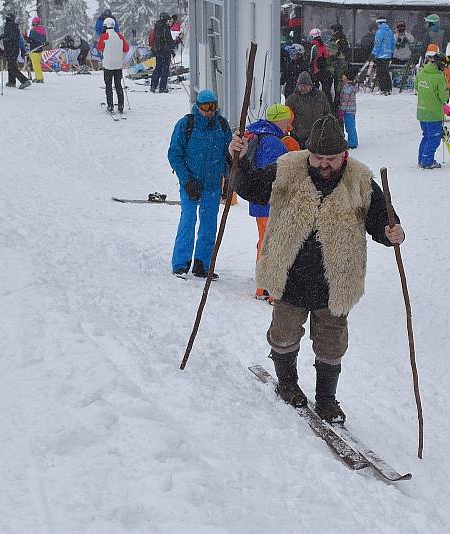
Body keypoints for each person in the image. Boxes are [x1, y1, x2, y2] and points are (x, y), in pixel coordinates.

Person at [228, 115, 405, 423]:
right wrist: (239, 161)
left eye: (331, 159)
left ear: (345, 154)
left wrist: (392, 233)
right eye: (318, 157)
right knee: (283, 336)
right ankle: (288, 384)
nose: (323, 164)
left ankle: (326, 399)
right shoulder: (288, 168)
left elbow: (381, 219)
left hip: (335, 278)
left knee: (331, 344)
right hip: (290, 273)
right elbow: (252, 189)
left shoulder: (360, 180)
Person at [167, 89, 233, 278]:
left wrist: (228, 180)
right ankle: (181, 262)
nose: (210, 111)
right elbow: (174, 154)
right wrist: (187, 181)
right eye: (206, 106)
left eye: (213, 106)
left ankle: (202, 264)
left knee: (209, 224)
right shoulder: (186, 124)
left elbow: (228, 156)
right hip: (191, 183)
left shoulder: (221, 125)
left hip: (212, 185)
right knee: (188, 219)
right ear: (198, 106)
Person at [242, 103, 300, 301]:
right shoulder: (274, 142)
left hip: (259, 202)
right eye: (288, 122)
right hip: (271, 202)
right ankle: (270, 289)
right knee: (274, 245)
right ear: (281, 121)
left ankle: (263, 287)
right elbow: (274, 175)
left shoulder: (256, 134)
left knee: (264, 242)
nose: (290, 127)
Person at [414, 50, 449, 169]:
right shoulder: (439, 77)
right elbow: (443, 97)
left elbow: (416, 87)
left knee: (426, 136)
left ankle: (422, 159)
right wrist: (447, 92)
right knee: (434, 138)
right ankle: (427, 161)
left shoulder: (421, 73)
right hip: (433, 113)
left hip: (422, 112)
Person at [285, 71, 331, 149]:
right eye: (301, 86)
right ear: (297, 85)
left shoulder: (320, 96)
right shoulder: (292, 99)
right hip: (299, 138)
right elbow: (287, 119)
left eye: (306, 86)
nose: (303, 88)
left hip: (317, 136)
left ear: (311, 86)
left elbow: (327, 112)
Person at [96, 17, 129, 114]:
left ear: (105, 26)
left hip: (108, 65)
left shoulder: (104, 36)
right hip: (118, 65)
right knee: (118, 85)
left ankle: (110, 105)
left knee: (109, 86)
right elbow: (126, 48)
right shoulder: (120, 36)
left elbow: (99, 47)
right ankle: (121, 105)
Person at [0, 13, 30, 89]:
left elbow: (8, 36)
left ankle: (24, 80)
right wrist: (22, 49)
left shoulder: (9, 26)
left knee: (12, 67)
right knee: (12, 65)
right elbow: (19, 39)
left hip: (11, 49)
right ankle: (11, 81)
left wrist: (0, 36)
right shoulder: (15, 27)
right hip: (14, 49)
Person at [150, 12, 175, 93]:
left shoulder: (157, 27)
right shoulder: (165, 28)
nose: (169, 23)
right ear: (164, 20)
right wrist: (171, 48)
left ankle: (153, 86)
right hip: (165, 52)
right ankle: (162, 87)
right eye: (168, 21)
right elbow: (168, 40)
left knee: (158, 68)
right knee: (165, 70)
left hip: (158, 52)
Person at [309, 28, 333, 108]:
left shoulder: (313, 47)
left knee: (315, 91)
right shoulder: (326, 46)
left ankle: (316, 106)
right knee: (327, 91)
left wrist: (311, 72)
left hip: (316, 72)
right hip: (326, 71)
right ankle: (328, 107)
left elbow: (311, 60)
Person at [328, 22, 350, 108]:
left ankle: (336, 101)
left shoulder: (335, 39)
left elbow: (331, 52)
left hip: (336, 63)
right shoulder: (344, 39)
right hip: (344, 63)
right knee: (341, 81)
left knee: (336, 83)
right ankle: (340, 99)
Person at [371, 17, 394, 95]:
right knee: (386, 72)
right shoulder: (390, 31)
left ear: (378, 23)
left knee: (380, 73)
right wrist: (390, 52)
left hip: (380, 55)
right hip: (387, 55)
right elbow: (393, 43)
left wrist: (374, 54)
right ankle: (389, 88)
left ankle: (383, 89)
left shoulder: (379, 32)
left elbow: (377, 44)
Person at [338, 69, 358, 148]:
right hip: (352, 110)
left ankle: (352, 143)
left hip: (348, 110)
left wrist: (342, 110)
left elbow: (345, 100)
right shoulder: (352, 86)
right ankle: (353, 141)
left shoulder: (347, 87)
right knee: (351, 126)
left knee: (350, 127)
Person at [27, 16, 47, 84]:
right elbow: (43, 40)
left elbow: (30, 40)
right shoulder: (42, 30)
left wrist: (26, 38)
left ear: (35, 23)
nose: (33, 25)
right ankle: (38, 77)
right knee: (38, 64)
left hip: (34, 50)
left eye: (33, 23)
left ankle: (39, 78)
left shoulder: (33, 31)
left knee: (36, 65)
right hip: (40, 49)